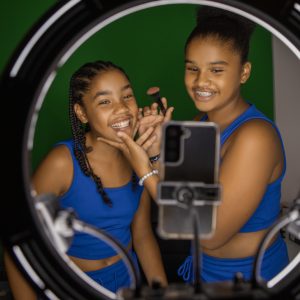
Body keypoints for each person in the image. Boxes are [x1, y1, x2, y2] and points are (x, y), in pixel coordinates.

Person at [99, 7, 290, 283]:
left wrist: (143, 171)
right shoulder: (200, 122)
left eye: (216, 70)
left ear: (244, 72)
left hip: (250, 278)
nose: (201, 81)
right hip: (202, 270)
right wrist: (155, 152)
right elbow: (186, 206)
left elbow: (209, 234)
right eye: (192, 69)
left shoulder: (255, 137)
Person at [5, 60, 169, 298]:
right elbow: (19, 241)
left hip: (127, 283)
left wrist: (163, 293)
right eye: (104, 101)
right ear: (82, 113)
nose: (121, 108)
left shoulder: (139, 160)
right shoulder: (62, 162)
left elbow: (142, 235)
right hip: (74, 286)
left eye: (127, 96)